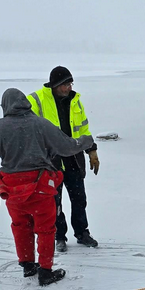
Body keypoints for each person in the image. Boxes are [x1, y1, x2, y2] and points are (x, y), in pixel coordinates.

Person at [0, 88, 93, 286]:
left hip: (12, 188)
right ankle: (45, 271)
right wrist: (86, 141)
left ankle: (28, 265)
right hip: (40, 186)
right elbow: (66, 147)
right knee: (46, 229)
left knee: (20, 227)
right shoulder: (40, 124)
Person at [27, 66, 99, 253]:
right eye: (65, 84)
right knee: (54, 202)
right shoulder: (36, 100)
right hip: (51, 162)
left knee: (79, 199)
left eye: (70, 84)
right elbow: (28, 129)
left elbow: (83, 128)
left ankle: (82, 233)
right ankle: (60, 236)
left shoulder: (75, 101)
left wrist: (91, 150)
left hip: (73, 159)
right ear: (55, 85)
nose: (68, 88)